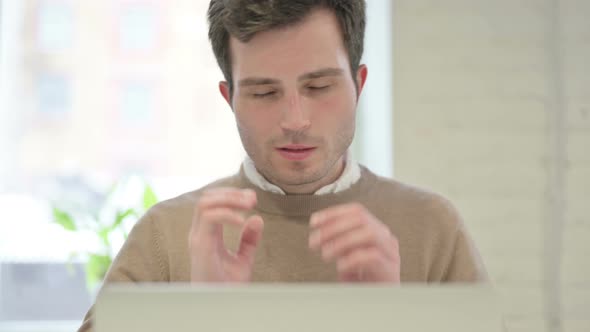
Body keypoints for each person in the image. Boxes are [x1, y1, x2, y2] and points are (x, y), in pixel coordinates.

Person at [78, 0, 487, 330]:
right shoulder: (165, 238)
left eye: (318, 87)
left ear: (359, 85)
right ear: (229, 98)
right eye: (264, 92)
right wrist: (200, 320)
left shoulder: (433, 229)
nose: (295, 120)